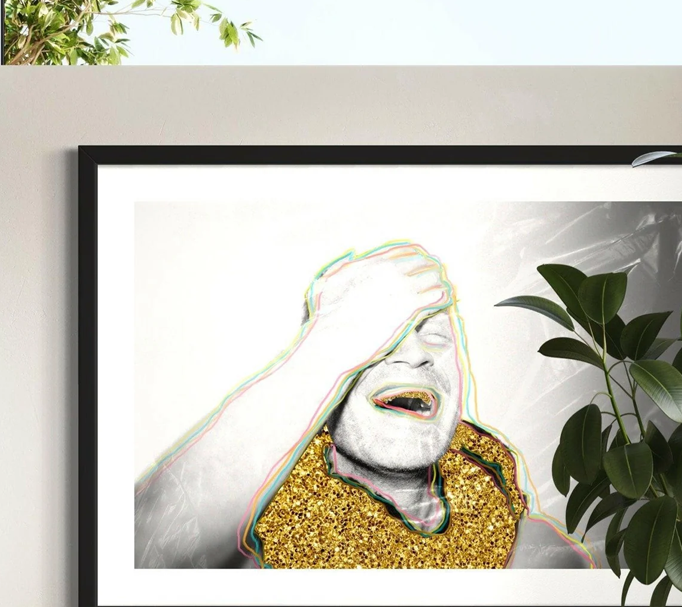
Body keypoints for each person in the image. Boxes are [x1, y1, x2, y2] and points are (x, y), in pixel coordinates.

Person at [133, 242, 588, 570]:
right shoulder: (273, 500)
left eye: (433, 334)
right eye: (380, 336)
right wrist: (334, 340)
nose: (414, 354)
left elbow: (534, 549)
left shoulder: (480, 464)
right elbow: (143, 552)